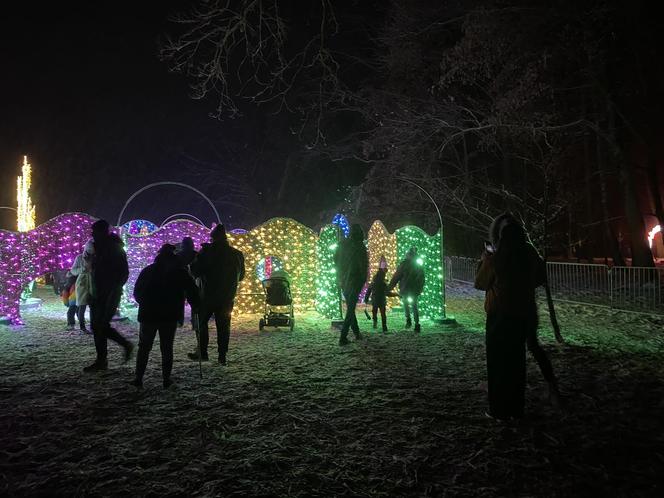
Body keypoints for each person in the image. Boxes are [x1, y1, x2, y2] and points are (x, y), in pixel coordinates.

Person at [474, 213, 557, 420]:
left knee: (497, 363)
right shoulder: (529, 254)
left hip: (499, 316)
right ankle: (516, 408)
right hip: (521, 313)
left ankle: (499, 410)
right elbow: (539, 277)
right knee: (516, 363)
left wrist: (485, 259)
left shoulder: (496, 258)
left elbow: (480, 283)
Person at [131, 244, 200, 388]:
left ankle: (138, 378)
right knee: (167, 347)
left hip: (148, 314)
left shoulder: (148, 270)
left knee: (144, 346)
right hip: (170, 315)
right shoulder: (180, 272)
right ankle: (166, 379)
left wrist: (145, 303)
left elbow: (137, 292)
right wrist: (197, 305)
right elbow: (192, 291)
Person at [188, 224, 245, 365]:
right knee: (224, 326)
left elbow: (195, 272)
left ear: (212, 238)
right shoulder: (236, 254)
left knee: (201, 324)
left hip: (207, 296)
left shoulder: (206, 252)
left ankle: (202, 351)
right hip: (227, 297)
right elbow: (241, 276)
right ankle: (222, 355)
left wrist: (196, 260)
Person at [83, 219, 133, 372]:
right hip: (97, 293)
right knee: (96, 326)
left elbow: (123, 273)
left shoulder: (113, 248)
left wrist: (114, 289)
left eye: (94, 231)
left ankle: (125, 345)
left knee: (101, 326)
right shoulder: (99, 248)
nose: (92, 234)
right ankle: (101, 360)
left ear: (102, 232)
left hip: (109, 293)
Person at [334, 224, 368, 345]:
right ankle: (343, 337)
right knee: (351, 308)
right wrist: (363, 279)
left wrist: (340, 274)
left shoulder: (342, 245)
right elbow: (363, 265)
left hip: (343, 280)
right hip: (354, 280)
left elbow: (335, 260)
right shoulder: (360, 247)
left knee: (350, 306)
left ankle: (357, 332)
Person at [388, 247, 425, 333]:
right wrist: (419, 288)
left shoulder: (404, 264)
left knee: (407, 305)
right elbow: (421, 278)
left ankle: (409, 321)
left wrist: (390, 287)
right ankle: (416, 324)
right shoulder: (418, 265)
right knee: (414, 306)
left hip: (405, 289)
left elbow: (396, 277)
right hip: (413, 290)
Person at [69, 240, 95, 334]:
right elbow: (73, 270)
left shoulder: (97, 257)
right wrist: (83, 269)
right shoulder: (79, 258)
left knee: (93, 306)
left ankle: (93, 326)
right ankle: (82, 327)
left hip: (93, 283)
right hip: (82, 284)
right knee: (82, 306)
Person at [364, 257, 390, 333]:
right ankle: (384, 326)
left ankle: (375, 323)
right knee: (383, 313)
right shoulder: (383, 283)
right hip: (382, 300)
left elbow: (368, 291)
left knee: (374, 312)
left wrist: (366, 299)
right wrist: (396, 294)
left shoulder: (373, 283)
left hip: (375, 300)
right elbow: (387, 292)